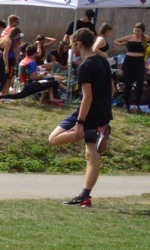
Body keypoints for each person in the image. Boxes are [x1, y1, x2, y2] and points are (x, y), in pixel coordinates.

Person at [50, 27, 112, 207]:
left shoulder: (85, 66)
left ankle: (92, 132)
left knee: (53, 139)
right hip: (103, 113)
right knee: (91, 156)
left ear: (78, 44)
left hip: (87, 113)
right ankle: (85, 196)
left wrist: (80, 123)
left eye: (72, 45)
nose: (71, 49)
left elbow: (87, 97)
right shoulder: (103, 61)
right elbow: (112, 89)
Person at [120, 23, 148, 112]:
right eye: (135, 30)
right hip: (129, 61)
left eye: (138, 31)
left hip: (139, 62)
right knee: (128, 83)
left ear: (142, 31)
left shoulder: (145, 38)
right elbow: (116, 41)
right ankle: (127, 104)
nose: (136, 32)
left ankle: (137, 102)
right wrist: (123, 44)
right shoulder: (130, 37)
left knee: (140, 82)